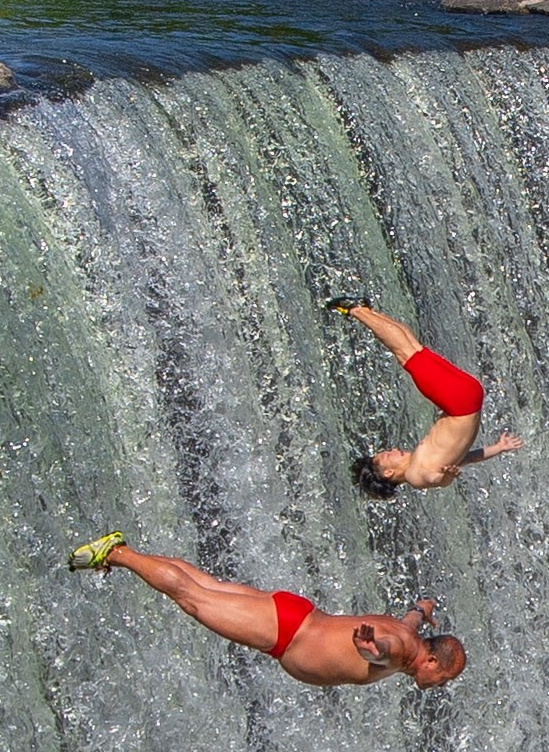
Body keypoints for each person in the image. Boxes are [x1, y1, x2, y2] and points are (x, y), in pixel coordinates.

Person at [69, 534, 469, 690]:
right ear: (431, 659)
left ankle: (126, 552)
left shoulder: (409, 632)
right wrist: (368, 647)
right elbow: (382, 650)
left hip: (295, 613)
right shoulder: (399, 651)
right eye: (443, 676)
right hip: (287, 633)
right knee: (193, 598)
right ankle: (118, 554)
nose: (439, 684)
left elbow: (410, 621)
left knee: (206, 585)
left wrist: (422, 606)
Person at [320, 293, 523, 494]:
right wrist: (446, 477)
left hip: (468, 399)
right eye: (387, 455)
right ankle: (356, 310)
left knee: (413, 348)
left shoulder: (425, 459)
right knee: (406, 353)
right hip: (459, 402)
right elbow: (433, 479)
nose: (392, 450)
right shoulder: (414, 475)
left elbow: (467, 457)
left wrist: (498, 448)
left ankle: (369, 311)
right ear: (389, 472)